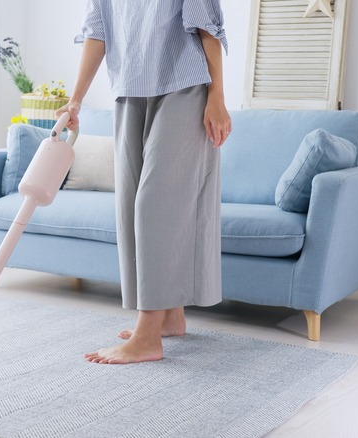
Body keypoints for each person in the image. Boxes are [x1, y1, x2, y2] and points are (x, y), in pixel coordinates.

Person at [55, 0, 231, 364]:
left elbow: (206, 27)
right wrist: (75, 101)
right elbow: (97, 33)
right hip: (128, 89)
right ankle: (170, 317)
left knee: (158, 206)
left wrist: (217, 96)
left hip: (185, 87)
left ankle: (147, 336)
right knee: (131, 205)